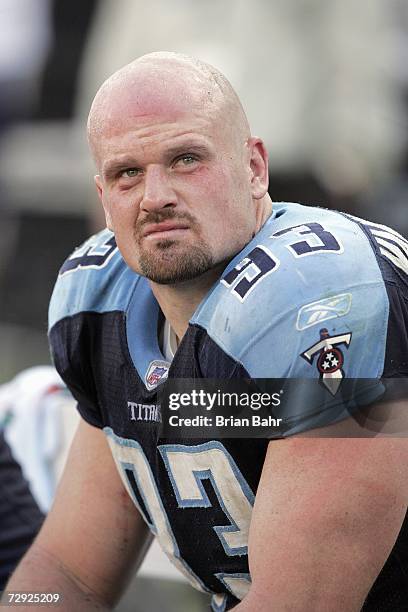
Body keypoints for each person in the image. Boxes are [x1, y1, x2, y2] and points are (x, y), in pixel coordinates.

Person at [7, 52, 408, 611]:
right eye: (127, 173)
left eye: (185, 159)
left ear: (254, 168)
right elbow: (67, 573)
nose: (155, 197)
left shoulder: (321, 295)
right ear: (103, 198)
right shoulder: (102, 307)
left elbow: (300, 605)